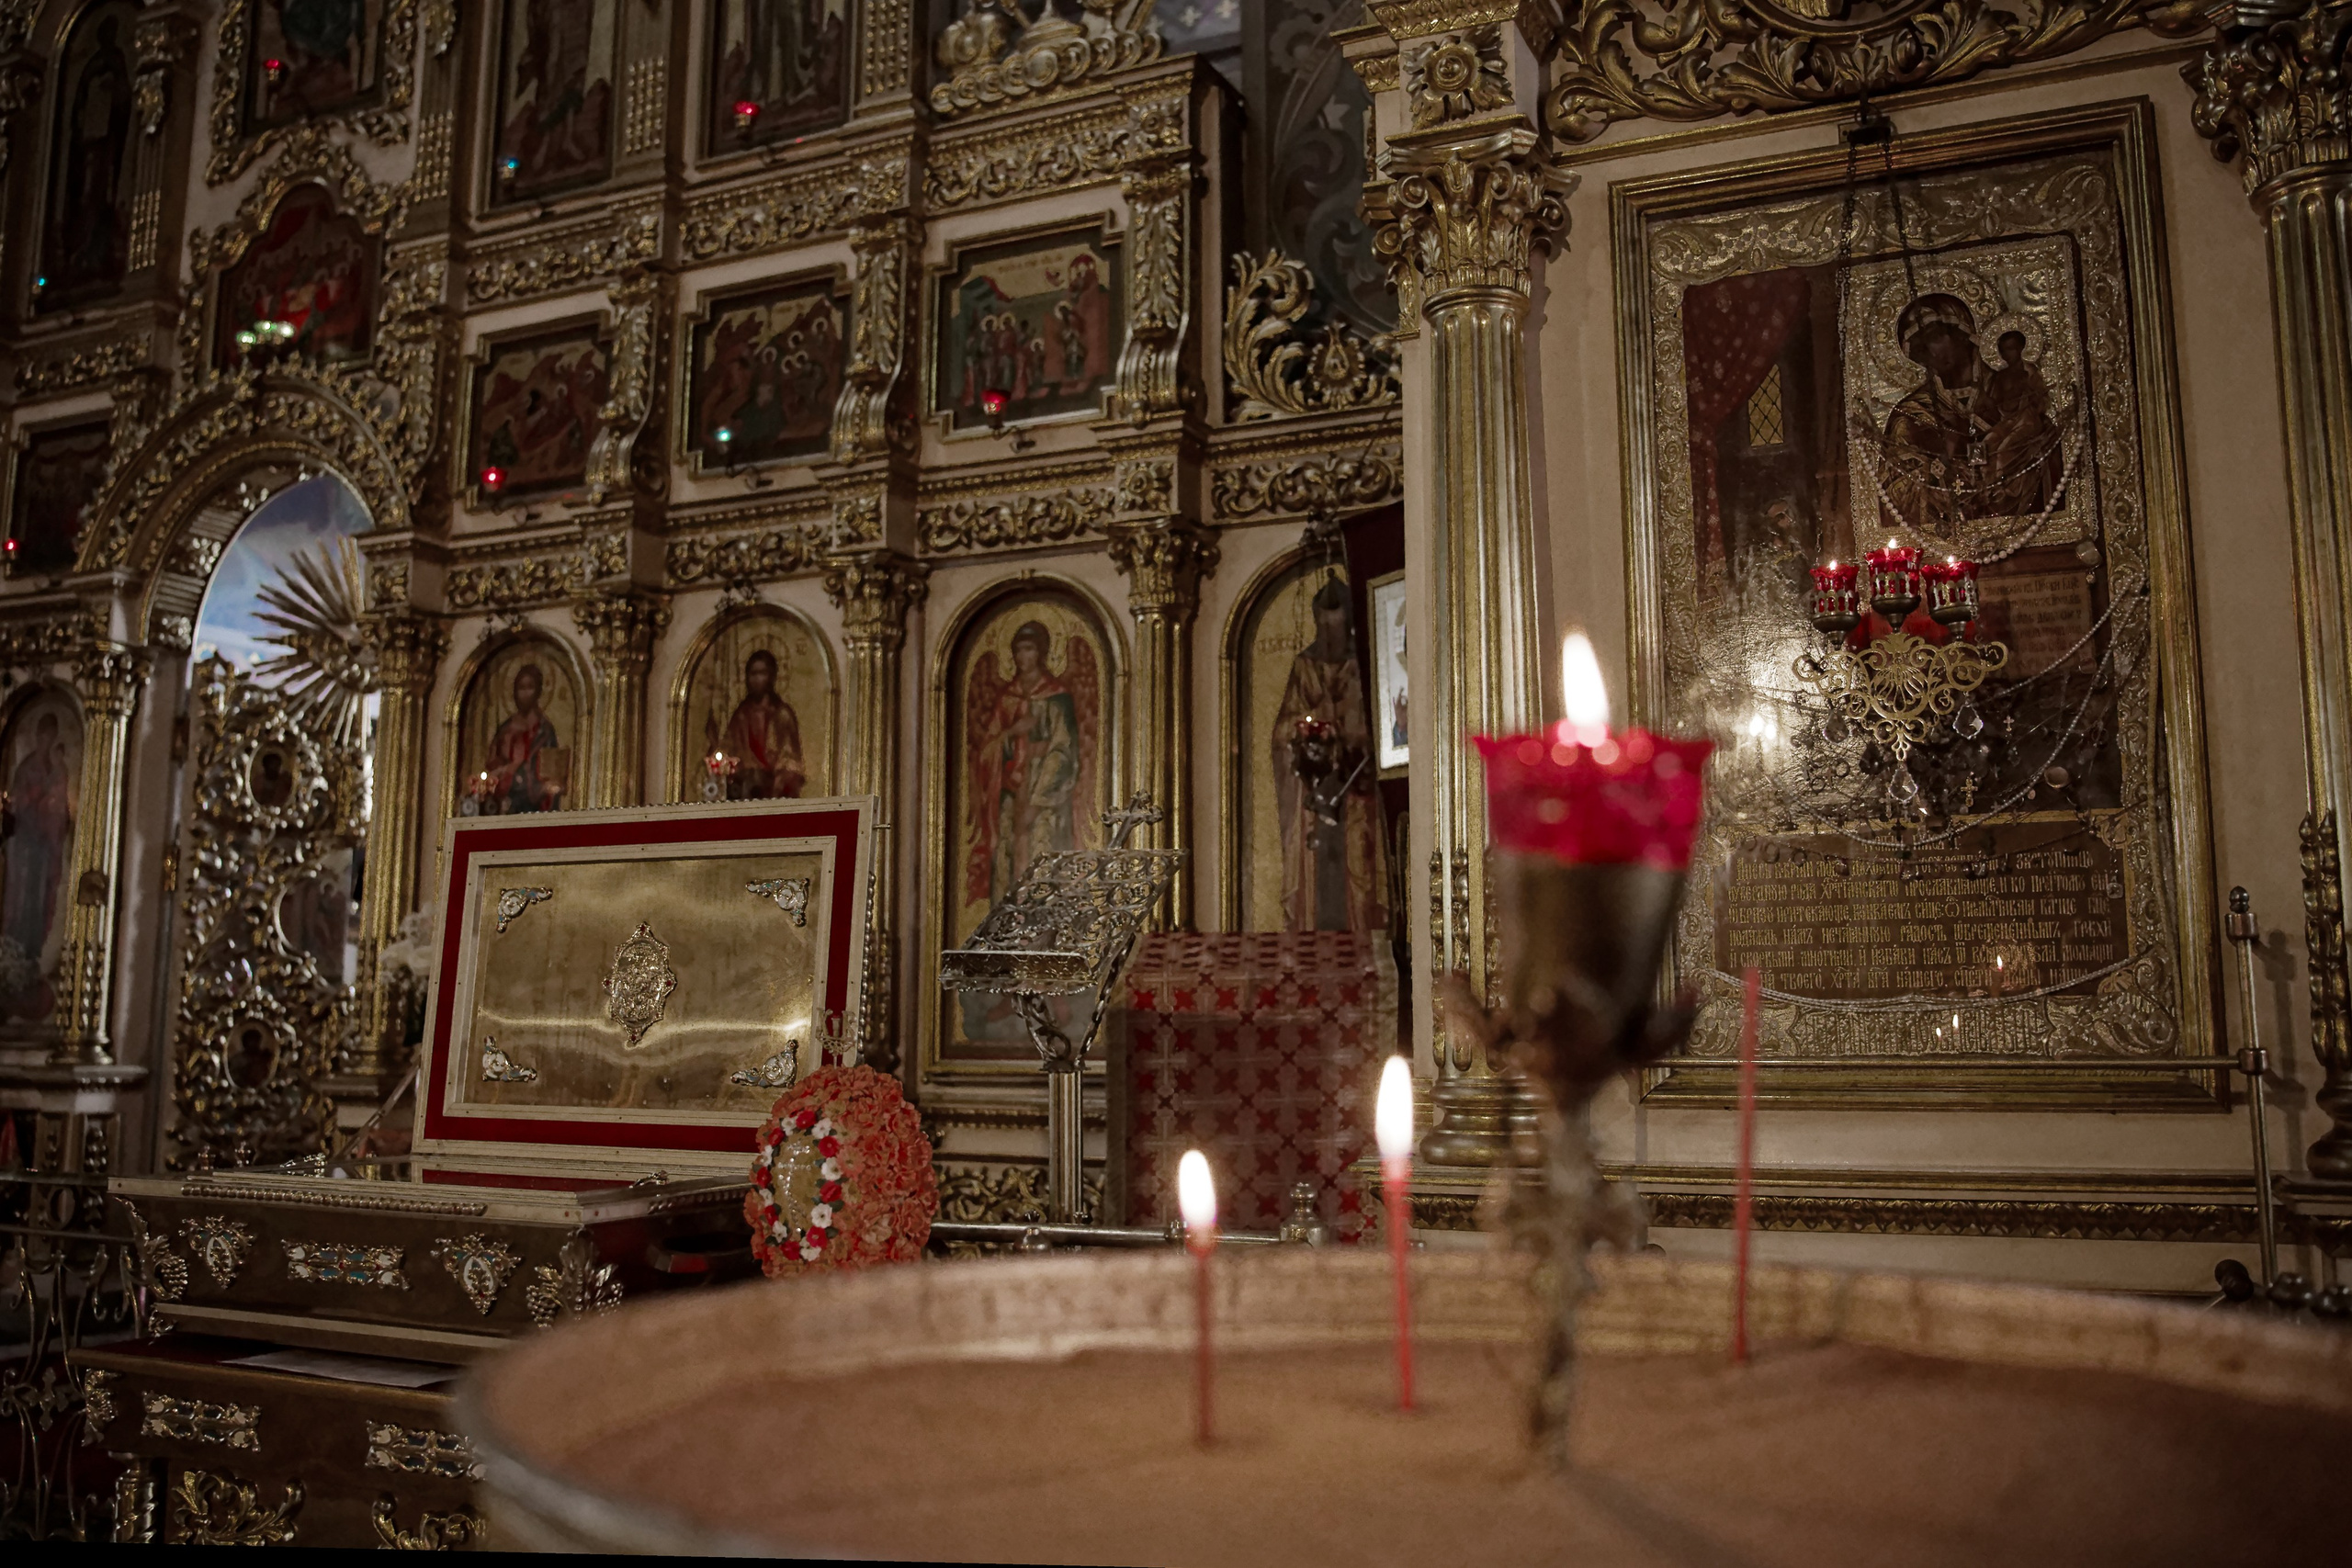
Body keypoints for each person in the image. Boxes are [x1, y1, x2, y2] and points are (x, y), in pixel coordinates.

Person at [1272, 576, 1389, 933]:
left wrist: (1348, 729)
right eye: (1325, 627)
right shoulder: (1305, 666)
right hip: (1316, 792)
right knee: (1317, 870)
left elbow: (1379, 724)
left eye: (1337, 627)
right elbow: (1282, 731)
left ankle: (1366, 931)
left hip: (1356, 791)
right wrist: (1312, 725)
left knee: (1360, 863)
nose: (1331, 636)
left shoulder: (1363, 664)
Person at [0, 711, 74, 1019]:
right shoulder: (28, 765)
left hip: (44, 848)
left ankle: (29, 954)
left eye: (50, 735)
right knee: (20, 900)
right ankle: (14, 954)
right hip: (25, 848)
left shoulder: (57, 770)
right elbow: (17, 804)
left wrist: (52, 799)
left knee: (39, 901)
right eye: (42, 735)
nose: (46, 741)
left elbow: (62, 812)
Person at [717, 649, 806, 799]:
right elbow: (727, 751)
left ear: (771, 677)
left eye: (762, 673)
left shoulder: (782, 714)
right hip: (744, 792)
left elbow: (791, 759)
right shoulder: (741, 715)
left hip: (774, 790)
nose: (757, 679)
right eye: (753, 674)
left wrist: (779, 781)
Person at [481, 663, 565, 814]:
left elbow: (552, 770)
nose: (525, 693)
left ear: (538, 690)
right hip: (505, 803)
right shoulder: (506, 729)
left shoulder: (544, 730)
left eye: (530, 687)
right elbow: (492, 765)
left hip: (535, 806)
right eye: (521, 688)